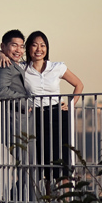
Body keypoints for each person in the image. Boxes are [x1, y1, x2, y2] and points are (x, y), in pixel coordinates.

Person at [22, 31, 84, 188]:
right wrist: (0, 55)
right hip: (36, 118)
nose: (39, 49)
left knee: (62, 160)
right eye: (34, 45)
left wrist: (71, 104)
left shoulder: (57, 67)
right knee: (45, 161)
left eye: (43, 45)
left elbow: (79, 85)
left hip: (58, 115)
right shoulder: (22, 69)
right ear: (28, 48)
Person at [0, 30, 27, 203]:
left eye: (21, 46)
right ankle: (16, 201)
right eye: (14, 45)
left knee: (26, 166)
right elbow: (1, 92)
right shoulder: (5, 64)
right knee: (29, 166)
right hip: (14, 121)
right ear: (4, 46)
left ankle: (15, 199)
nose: (19, 50)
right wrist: (26, 103)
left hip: (10, 120)